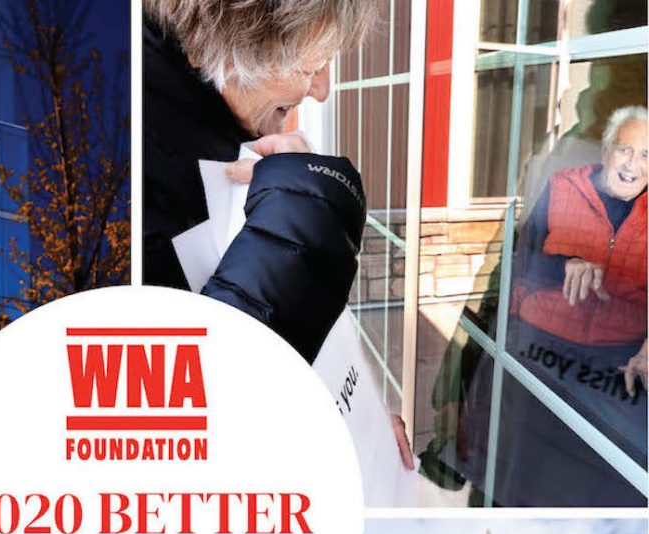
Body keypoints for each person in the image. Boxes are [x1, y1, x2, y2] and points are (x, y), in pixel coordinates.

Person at [142, 0, 413, 468]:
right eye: (312, 63)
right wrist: (302, 219)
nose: (322, 90)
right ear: (238, 38)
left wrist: (356, 423)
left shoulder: (208, 122)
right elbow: (178, 429)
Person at [460, 106, 648, 506]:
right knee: (514, 464)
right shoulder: (562, 186)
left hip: (614, 361)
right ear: (606, 151)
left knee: (598, 481)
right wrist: (564, 264)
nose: (633, 164)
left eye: (646, 155)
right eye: (625, 150)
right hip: (541, 346)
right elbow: (520, 258)